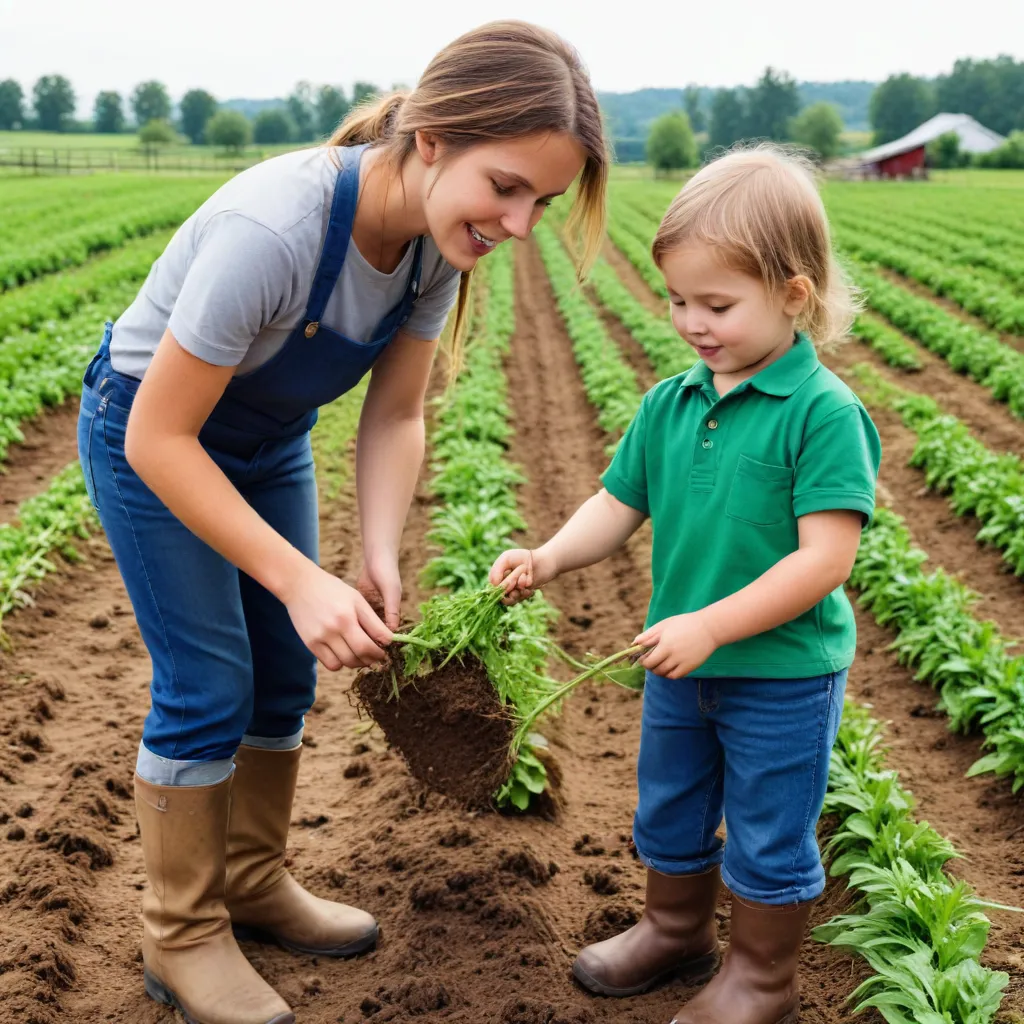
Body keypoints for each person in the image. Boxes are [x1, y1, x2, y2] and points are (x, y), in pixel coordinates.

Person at [76, 20, 608, 1024]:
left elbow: (397, 412)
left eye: (540, 201)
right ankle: (180, 934)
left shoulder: (433, 254)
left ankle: (254, 878)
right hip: (149, 435)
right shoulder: (277, 228)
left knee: (283, 671)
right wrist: (295, 576)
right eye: (507, 187)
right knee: (207, 682)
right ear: (434, 138)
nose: (521, 223)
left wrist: (371, 557)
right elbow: (162, 439)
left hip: (266, 440)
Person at [490, 144, 882, 1024]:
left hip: (781, 673)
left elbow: (824, 559)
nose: (692, 322)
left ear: (794, 295)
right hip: (680, 664)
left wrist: (712, 625)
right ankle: (675, 930)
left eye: (718, 304)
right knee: (669, 804)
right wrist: (548, 557)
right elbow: (617, 502)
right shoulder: (671, 402)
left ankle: (762, 980)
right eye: (677, 300)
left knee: (768, 826)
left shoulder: (823, 414)